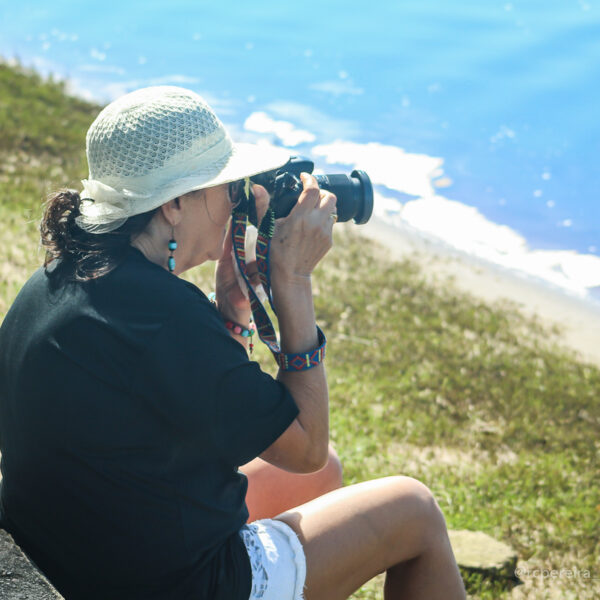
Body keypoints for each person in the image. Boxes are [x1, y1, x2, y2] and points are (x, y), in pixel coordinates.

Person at [0, 86, 466, 600]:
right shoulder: (163, 316)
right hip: (168, 583)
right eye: (225, 187)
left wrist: (233, 312)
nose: (235, 203)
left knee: (326, 474)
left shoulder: (55, 282)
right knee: (412, 509)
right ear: (174, 204)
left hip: (77, 550)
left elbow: (186, 400)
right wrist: (292, 284)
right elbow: (303, 445)